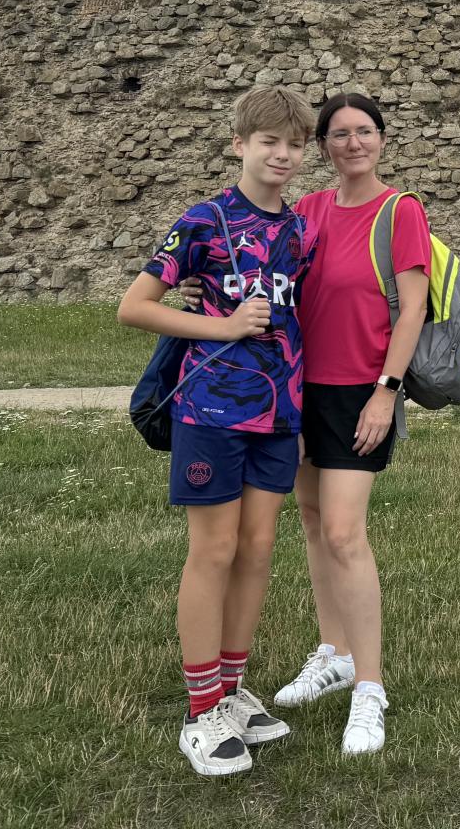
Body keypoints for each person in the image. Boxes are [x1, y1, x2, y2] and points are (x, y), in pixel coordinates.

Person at [115, 86, 315, 777]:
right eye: (269, 142)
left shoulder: (301, 231)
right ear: (240, 144)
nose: (282, 155)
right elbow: (135, 307)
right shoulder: (202, 223)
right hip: (210, 409)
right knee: (215, 550)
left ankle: (232, 692)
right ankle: (201, 711)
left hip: (280, 412)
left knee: (258, 550)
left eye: (293, 144)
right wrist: (221, 325)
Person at [274, 91, 430, 755]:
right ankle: (332, 650)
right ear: (324, 146)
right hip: (301, 387)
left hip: (359, 392)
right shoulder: (306, 212)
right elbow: (267, 279)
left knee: (344, 532)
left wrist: (385, 394)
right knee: (311, 523)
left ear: (381, 140)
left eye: (364, 131)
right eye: (340, 134)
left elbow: (413, 310)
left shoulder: (401, 212)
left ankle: (370, 688)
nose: (353, 143)